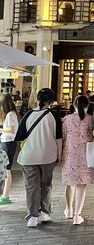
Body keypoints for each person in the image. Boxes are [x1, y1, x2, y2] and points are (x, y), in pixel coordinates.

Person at [14, 88, 62, 228]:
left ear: (38, 99)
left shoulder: (28, 114)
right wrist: (59, 155)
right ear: (51, 100)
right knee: (45, 184)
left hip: (29, 157)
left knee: (32, 187)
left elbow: (19, 136)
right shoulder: (54, 116)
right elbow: (59, 138)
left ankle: (33, 216)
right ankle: (45, 212)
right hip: (48, 156)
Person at [61, 95, 94, 225]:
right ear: (88, 106)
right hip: (86, 156)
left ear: (73, 105)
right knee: (81, 185)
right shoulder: (91, 120)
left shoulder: (66, 119)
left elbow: (63, 137)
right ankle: (77, 215)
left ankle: (68, 210)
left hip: (69, 154)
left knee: (70, 183)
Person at [0, 94, 20, 205]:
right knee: (6, 168)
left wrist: (1, 130)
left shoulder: (10, 114)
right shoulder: (11, 114)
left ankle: (6, 195)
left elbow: (12, 130)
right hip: (7, 142)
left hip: (8, 143)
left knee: (7, 169)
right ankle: (4, 194)